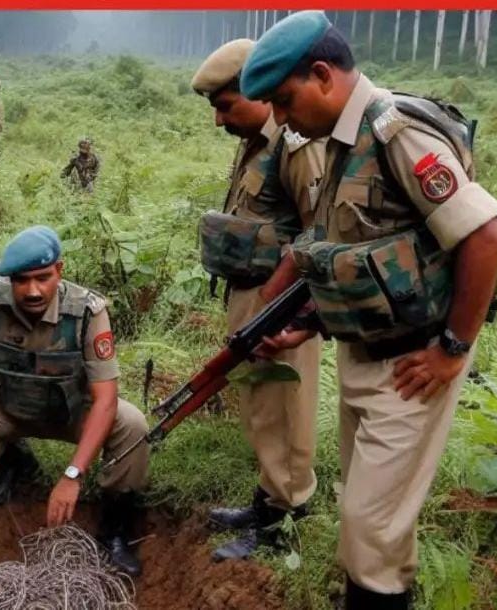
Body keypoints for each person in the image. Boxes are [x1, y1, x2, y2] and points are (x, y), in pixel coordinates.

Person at [241, 11, 497, 607]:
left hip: (414, 363)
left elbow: (486, 235)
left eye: (284, 100)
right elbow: (348, 248)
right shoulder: (338, 141)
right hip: (364, 352)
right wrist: (303, 321)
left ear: (321, 75)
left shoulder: (394, 133)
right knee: (372, 519)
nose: (280, 119)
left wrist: (453, 350)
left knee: (367, 525)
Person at [0, 225, 150, 577]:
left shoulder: (87, 312)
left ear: (59, 270)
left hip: (71, 413)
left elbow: (106, 399)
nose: (32, 290)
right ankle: (12, 458)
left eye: (43, 278)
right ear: (10, 280)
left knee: (132, 426)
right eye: (22, 280)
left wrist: (73, 474)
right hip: (11, 410)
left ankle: (115, 529)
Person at [190, 38, 326, 562]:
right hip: (252, 294)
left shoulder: (295, 146)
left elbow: (320, 235)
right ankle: (267, 501)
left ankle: (282, 526)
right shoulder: (256, 142)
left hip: (282, 302)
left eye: (226, 107)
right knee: (260, 409)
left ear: (260, 91)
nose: (220, 121)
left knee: (284, 409)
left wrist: (294, 313)